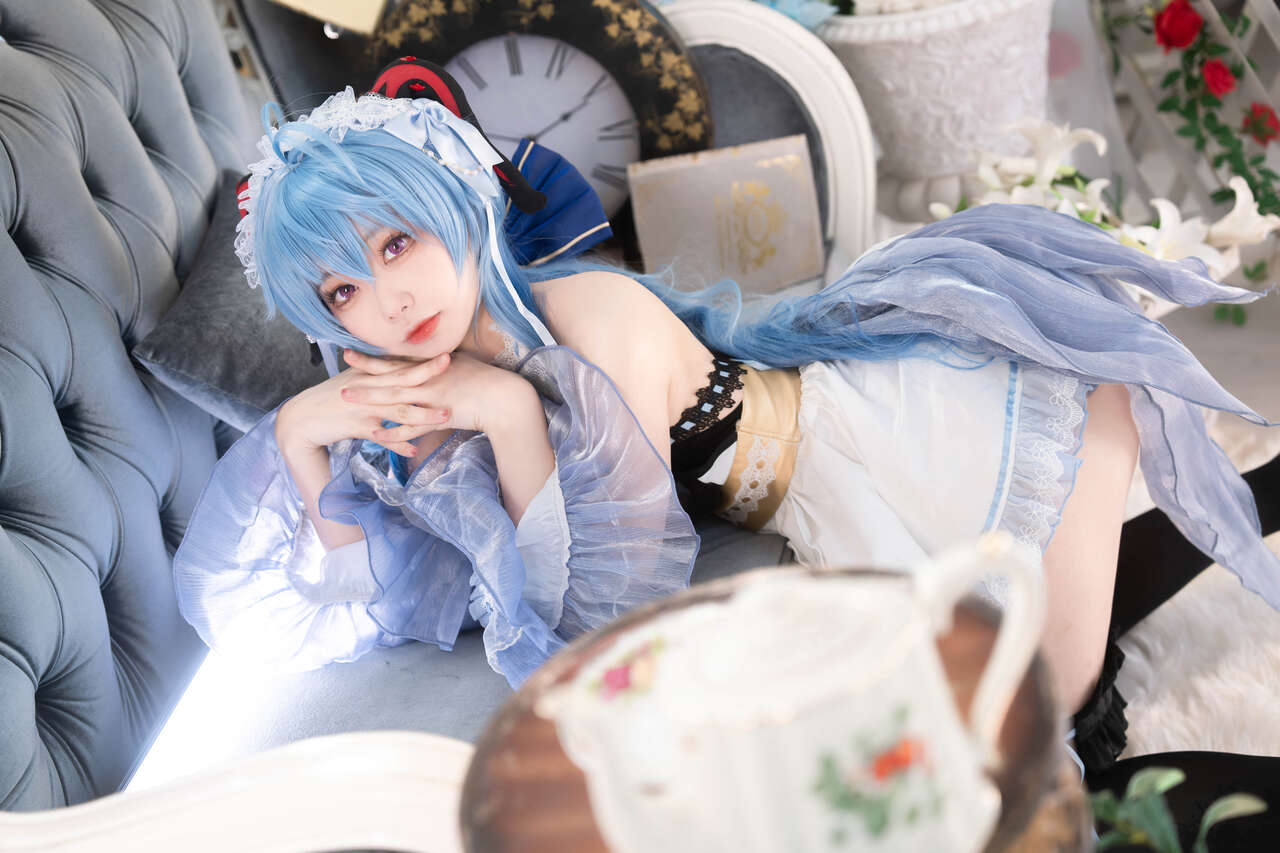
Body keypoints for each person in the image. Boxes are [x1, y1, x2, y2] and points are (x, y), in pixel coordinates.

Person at [174, 72, 1279, 781]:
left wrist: (507, 417)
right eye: (341, 292)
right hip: (810, 496)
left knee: (1054, 689)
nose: (388, 301)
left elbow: (596, 605)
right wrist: (300, 438)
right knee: (1034, 683)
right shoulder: (441, 380)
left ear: (457, 209)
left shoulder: (580, 324)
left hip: (863, 448)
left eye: (396, 244)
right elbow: (339, 600)